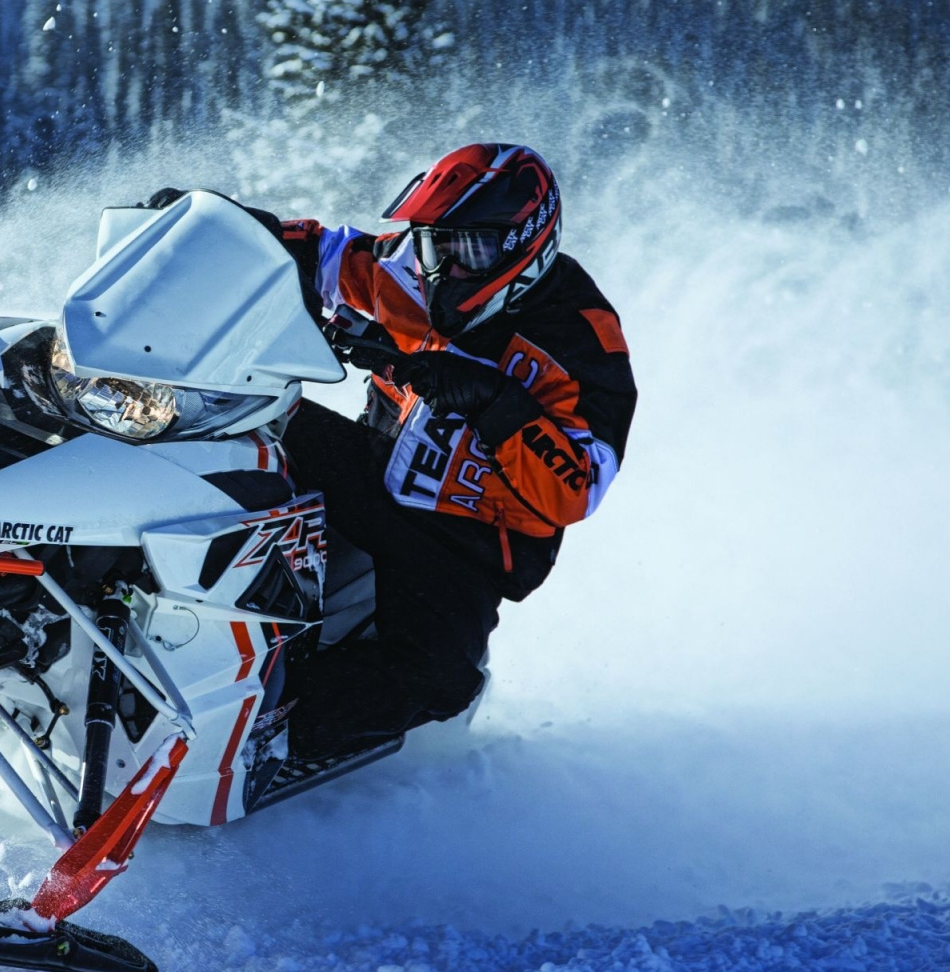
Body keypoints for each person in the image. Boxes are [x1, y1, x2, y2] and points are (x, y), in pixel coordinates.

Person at [150, 144, 637, 759]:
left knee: (441, 679)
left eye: (473, 249)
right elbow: (315, 251)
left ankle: (260, 744)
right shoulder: (409, 267)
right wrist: (215, 226)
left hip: (463, 540)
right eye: (438, 244)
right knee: (225, 424)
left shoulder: (584, 340)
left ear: (527, 244)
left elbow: (580, 487)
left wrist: (498, 404)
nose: (448, 269)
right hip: (368, 465)